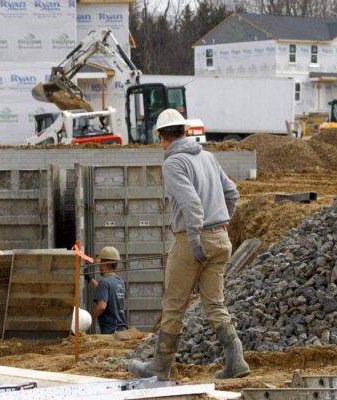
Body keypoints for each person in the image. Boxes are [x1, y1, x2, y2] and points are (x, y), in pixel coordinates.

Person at [128, 109, 250, 381]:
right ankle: (236, 359)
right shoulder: (208, 157)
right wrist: (221, 223)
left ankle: (159, 367)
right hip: (220, 238)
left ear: (161, 137)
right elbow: (232, 193)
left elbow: (192, 203)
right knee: (214, 303)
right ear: (184, 132)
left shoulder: (173, 163)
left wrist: (195, 239)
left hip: (192, 240)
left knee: (174, 304)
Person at [84, 246, 129, 334]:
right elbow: (105, 292)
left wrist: (87, 318)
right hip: (121, 329)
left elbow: (101, 307)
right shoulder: (120, 282)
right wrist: (89, 279)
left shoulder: (104, 283)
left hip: (111, 331)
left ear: (104, 264)